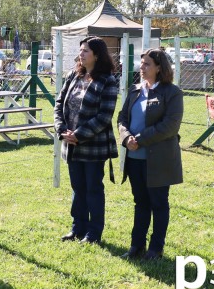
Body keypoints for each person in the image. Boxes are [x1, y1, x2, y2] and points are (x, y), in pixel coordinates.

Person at [116, 49, 183, 261]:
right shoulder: (135, 90)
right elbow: (122, 118)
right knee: (140, 203)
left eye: (146, 64)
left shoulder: (172, 93)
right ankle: (137, 246)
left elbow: (170, 126)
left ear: (159, 68)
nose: (141, 68)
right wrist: (127, 138)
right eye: (141, 63)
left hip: (159, 159)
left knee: (158, 203)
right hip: (135, 159)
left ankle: (156, 249)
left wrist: (141, 139)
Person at [53, 37, 119, 245]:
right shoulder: (74, 75)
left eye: (86, 51)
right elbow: (59, 103)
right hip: (70, 145)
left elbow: (104, 117)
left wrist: (79, 134)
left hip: (93, 147)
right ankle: (77, 228)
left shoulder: (108, 80)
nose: (81, 54)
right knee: (78, 188)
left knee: (92, 189)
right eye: (80, 51)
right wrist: (62, 129)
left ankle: (94, 233)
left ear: (97, 55)